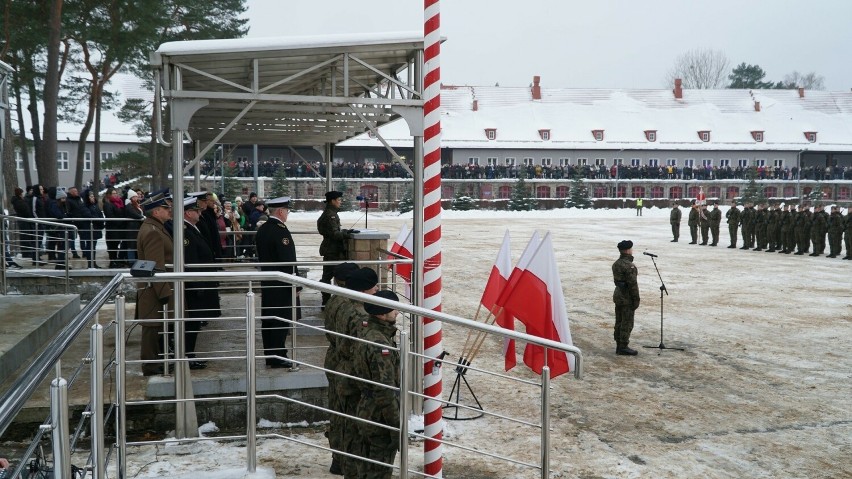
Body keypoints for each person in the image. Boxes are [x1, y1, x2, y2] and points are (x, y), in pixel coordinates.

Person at [327, 266, 379, 477]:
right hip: (348, 367)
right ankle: (348, 464)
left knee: (338, 413)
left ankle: (338, 460)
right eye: (375, 287)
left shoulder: (336, 300)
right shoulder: (358, 312)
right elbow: (356, 348)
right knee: (350, 420)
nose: (377, 291)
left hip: (335, 361)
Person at [353, 289, 402, 479]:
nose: (397, 312)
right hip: (379, 416)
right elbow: (385, 390)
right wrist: (395, 425)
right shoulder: (380, 344)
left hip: (367, 409)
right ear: (382, 314)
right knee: (378, 470)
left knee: (365, 466)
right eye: (393, 309)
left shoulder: (368, 331)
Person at [255, 196, 300, 368]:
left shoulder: (264, 228)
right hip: (281, 283)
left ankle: (272, 355)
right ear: (280, 211)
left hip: (268, 281)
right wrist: (294, 283)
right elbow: (287, 261)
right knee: (279, 320)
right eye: (287, 210)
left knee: (269, 319)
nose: (287, 213)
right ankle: (278, 355)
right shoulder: (280, 230)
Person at [136, 191, 174, 376]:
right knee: (152, 329)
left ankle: (156, 363)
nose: (169, 211)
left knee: (156, 328)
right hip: (154, 291)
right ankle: (151, 367)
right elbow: (156, 265)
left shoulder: (155, 228)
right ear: (156, 211)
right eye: (166, 208)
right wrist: (165, 292)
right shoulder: (153, 232)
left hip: (154, 289)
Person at [182, 196, 220, 369]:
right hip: (196, 286)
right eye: (197, 211)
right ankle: (187, 355)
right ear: (189, 213)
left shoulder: (192, 228)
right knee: (192, 322)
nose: (200, 213)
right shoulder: (185, 231)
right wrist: (198, 286)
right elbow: (191, 261)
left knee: (195, 322)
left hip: (201, 283)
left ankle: (190, 354)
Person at [318, 191, 355, 306]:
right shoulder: (330, 215)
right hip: (332, 250)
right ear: (332, 201)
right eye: (339, 200)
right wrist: (346, 234)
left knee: (328, 276)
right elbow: (334, 234)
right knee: (329, 276)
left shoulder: (331, 213)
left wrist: (344, 232)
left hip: (332, 249)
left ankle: (327, 301)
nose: (340, 202)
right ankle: (327, 302)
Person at [611, 240, 639, 356]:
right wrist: (636, 299)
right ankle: (623, 346)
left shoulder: (616, 263)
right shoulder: (629, 266)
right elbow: (633, 285)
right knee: (627, 323)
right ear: (628, 250)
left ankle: (619, 344)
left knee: (619, 321)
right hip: (627, 298)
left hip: (618, 296)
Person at [102, 187, 126, 268]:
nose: (115, 195)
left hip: (118, 228)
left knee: (116, 245)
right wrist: (120, 221)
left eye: (116, 193)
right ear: (109, 195)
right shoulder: (107, 204)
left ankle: (115, 261)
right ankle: (112, 262)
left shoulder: (119, 203)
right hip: (112, 228)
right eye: (113, 193)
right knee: (112, 245)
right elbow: (110, 216)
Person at [81, 189, 105, 268]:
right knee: (90, 247)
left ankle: (93, 263)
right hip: (90, 229)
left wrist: (101, 222)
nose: (93, 198)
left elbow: (100, 214)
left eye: (93, 196)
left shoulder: (95, 205)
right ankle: (90, 263)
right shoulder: (84, 206)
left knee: (93, 247)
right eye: (91, 196)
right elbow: (88, 215)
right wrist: (98, 220)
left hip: (96, 229)